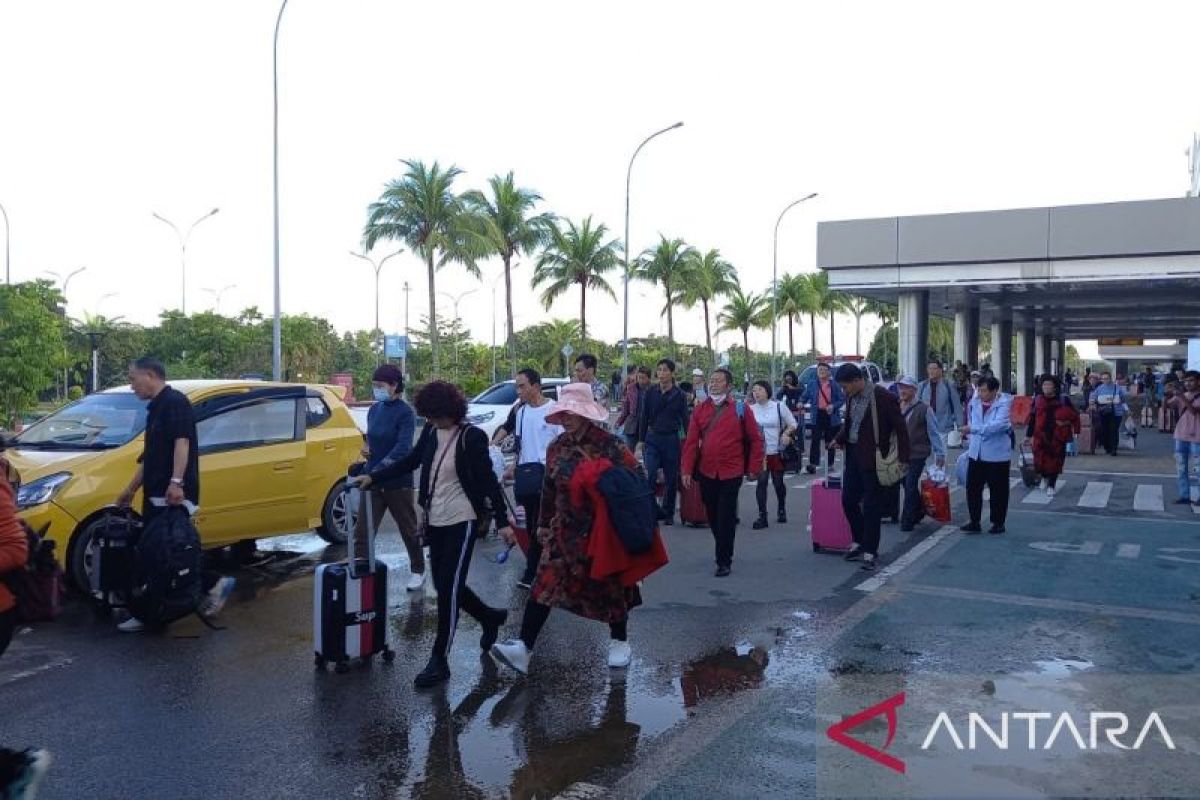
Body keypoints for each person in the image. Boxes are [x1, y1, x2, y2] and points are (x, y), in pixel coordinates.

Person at [490, 383, 667, 675]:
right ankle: (524, 647)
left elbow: (636, 482)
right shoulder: (557, 447)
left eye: (572, 412)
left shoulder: (610, 445)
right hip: (565, 531)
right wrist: (543, 524)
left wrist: (608, 485)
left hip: (603, 531)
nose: (567, 418)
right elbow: (549, 488)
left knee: (612, 587)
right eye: (564, 412)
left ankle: (619, 642)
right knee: (544, 584)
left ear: (586, 414)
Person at [357, 381, 513, 688]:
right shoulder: (430, 432)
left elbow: (487, 482)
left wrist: (503, 520)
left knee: (448, 592)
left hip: (462, 519)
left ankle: (439, 659)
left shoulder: (472, 437)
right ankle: (489, 617)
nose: (430, 421)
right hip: (435, 519)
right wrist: (373, 476)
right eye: (427, 416)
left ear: (450, 411)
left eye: (435, 416)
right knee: (445, 585)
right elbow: (412, 461)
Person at [114, 358, 234, 632]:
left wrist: (176, 483)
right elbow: (150, 458)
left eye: (134, 378)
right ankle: (204, 587)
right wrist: (129, 491)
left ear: (151, 375)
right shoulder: (155, 408)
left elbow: (183, 443)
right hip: (157, 493)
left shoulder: (175, 403)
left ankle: (154, 612)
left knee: (164, 552)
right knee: (159, 553)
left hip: (173, 495)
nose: (132, 385)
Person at [681, 368, 765, 577]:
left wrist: (754, 467)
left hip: (732, 471)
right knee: (712, 515)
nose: (714, 384)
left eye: (718, 381)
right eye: (712, 381)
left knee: (726, 515)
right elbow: (691, 443)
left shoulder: (740, 408)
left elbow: (755, 440)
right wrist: (686, 469)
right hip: (707, 471)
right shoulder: (700, 410)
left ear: (728, 385)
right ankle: (723, 543)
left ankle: (723, 559)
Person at [828, 364, 910, 570]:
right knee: (848, 500)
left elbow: (900, 428)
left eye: (845, 386)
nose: (843, 391)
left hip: (875, 459)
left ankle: (870, 551)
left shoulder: (882, 397)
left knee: (872, 507)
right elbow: (850, 425)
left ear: (857, 380)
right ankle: (859, 541)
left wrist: (904, 458)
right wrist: (838, 439)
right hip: (853, 456)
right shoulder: (852, 396)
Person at [493, 369, 563, 589]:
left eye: (522, 386)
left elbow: (561, 445)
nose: (518, 391)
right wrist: (511, 466)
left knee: (542, 526)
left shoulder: (553, 410)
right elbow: (520, 443)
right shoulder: (520, 412)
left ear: (536, 386)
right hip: (525, 478)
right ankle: (538, 571)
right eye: (517, 386)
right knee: (530, 527)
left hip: (547, 478)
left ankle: (535, 573)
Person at [358, 364, 425, 591]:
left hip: (397, 482)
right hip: (372, 480)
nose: (376, 390)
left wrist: (380, 470)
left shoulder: (405, 413)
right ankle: (361, 569)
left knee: (408, 529)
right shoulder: (374, 409)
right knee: (364, 530)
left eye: (380, 386)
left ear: (394, 386)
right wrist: (366, 447)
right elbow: (371, 437)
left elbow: (403, 447)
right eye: (374, 386)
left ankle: (418, 570)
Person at [637, 359, 688, 526]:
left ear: (672, 373)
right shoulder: (650, 392)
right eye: (659, 370)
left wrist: (689, 441)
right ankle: (650, 510)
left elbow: (685, 419)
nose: (661, 373)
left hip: (671, 439)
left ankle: (668, 512)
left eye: (665, 370)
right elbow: (643, 417)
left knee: (671, 477)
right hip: (653, 438)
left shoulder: (679, 395)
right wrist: (641, 440)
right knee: (650, 473)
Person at [960, 376, 1013, 534]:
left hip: (997, 455)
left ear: (995, 391)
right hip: (976, 452)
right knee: (972, 488)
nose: (981, 393)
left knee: (998, 490)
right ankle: (974, 521)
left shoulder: (1004, 404)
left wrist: (974, 429)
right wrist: (970, 436)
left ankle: (998, 522)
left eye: (984, 390)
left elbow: (997, 426)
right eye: (979, 389)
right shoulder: (974, 402)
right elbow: (970, 420)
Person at [894, 376, 945, 532]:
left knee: (910, 485)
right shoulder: (895, 406)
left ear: (914, 390)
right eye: (900, 387)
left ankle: (907, 520)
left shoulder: (924, 408)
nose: (902, 390)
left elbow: (933, 432)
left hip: (917, 453)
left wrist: (940, 453)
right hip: (899, 454)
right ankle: (919, 510)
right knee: (905, 484)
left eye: (906, 387)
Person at [748, 381, 797, 529]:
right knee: (761, 482)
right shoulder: (750, 409)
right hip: (759, 453)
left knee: (778, 483)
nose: (756, 393)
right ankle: (763, 516)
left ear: (767, 391)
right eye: (754, 390)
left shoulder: (778, 406)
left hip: (776, 451)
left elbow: (793, 423)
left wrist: (786, 434)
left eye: (760, 390)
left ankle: (781, 508)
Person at [1024, 376, 1079, 500]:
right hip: (1040, 436)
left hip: (1057, 437)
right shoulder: (1037, 400)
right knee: (1039, 459)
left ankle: (1052, 485)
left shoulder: (1063, 400)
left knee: (1055, 461)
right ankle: (1043, 477)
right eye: (1044, 385)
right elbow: (1032, 419)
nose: (1046, 387)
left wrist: (1066, 424)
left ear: (1055, 387)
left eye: (1049, 385)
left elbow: (1074, 416)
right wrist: (1028, 435)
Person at [802, 362, 844, 474]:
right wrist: (801, 402)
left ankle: (830, 463)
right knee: (815, 440)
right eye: (819, 370)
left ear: (829, 372)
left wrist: (833, 406)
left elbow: (841, 399)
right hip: (817, 415)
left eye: (824, 370)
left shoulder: (834, 384)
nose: (821, 372)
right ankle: (813, 464)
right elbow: (805, 396)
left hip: (830, 416)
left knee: (830, 440)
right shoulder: (812, 384)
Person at [1168, 371, 1200, 505]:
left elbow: (1193, 411)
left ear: (1199, 381)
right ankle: (1184, 495)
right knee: (1181, 468)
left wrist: (1181, 396)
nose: (1187, 383)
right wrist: (1167, 393)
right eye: (1186, 381)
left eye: (1191, 380)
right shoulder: (1183, 395)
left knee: (1198, 469)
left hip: (1197, 437)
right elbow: (1167, 406)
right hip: (1180, 436)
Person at [918, 360, 961, 448]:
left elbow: (957, 406)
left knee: (940, 456)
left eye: (934, 368)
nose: (931, 371)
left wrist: (960, 425)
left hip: (943, 426)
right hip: (926, 427)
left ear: (941, 370)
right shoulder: (922, 386)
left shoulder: (948, 385)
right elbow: (917, 406)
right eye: (930, 368)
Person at [1089, 371, 1126, 456]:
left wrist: (1120, 402)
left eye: (1107, 378)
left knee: (1113, 430)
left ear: (1110, 378)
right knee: (1105, 430)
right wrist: (1093, 404)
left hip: (1116, 413)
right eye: (1103, 379)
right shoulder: (1099, 388)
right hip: (1103, 412)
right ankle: (1107, 447)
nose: (1105, 380)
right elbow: (1093, 398)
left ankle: (1114, 448)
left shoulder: (1117, 388)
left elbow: (1123, 399)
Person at [615, 367, 649, 450]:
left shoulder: (653, 390)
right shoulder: (631, 388)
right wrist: (619, 422)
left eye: (643, 378)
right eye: (639, 377)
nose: (640, 380)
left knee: (647, 453)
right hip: (632, 426)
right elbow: (626, 408)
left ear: (648, 378)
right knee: (629, 451)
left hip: (647, 427)